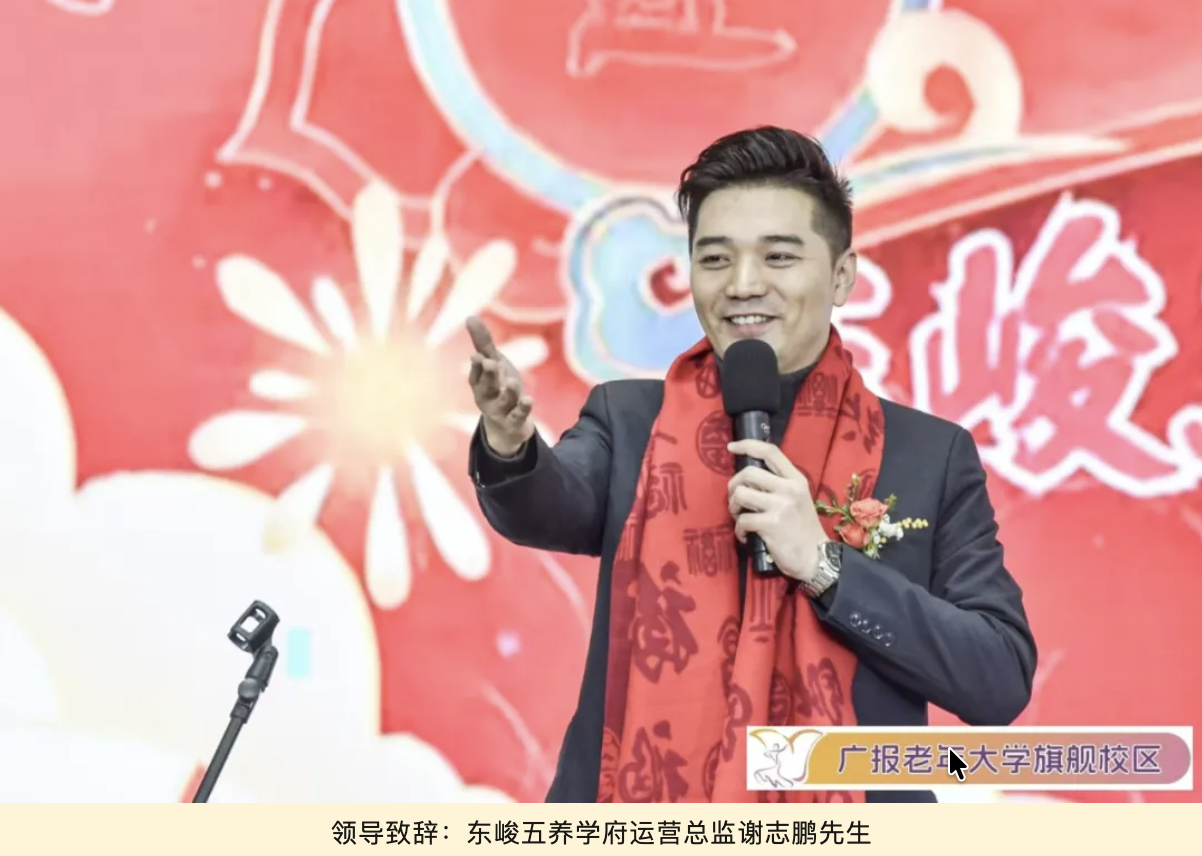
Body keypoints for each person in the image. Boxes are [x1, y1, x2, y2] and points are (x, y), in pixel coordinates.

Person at [464, 126, 1037, 804]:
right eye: (715, 259)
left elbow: (998, 678)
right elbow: (550, 503)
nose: (742, 285)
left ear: (842, 275)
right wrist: (510, 442)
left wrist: (826, 566)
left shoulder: (929, 455)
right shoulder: (631, 421)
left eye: (778, 256)